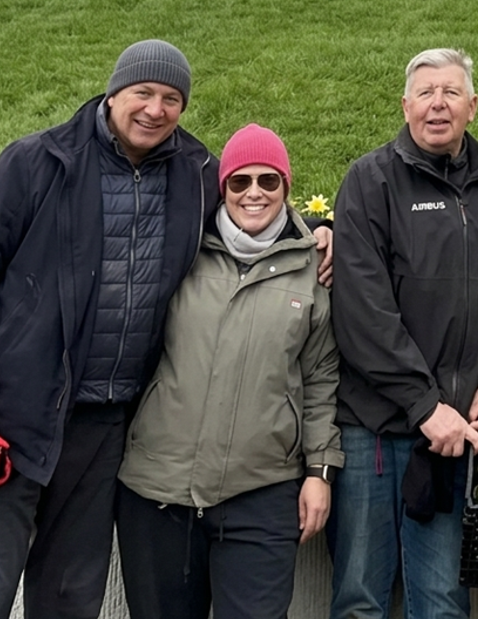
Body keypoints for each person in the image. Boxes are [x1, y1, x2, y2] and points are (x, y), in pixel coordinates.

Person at [0, 40, 331, 619]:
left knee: (68, 596)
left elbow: (254, 213)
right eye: (143, 93)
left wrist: (323, 229)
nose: (155, 109)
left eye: (171, 98)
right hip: (17, 415)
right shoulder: (36, 163)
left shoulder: (195, 175)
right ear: (113, 92)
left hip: (103, 425)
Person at [327, 47, 478, 618]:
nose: (437, 105)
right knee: (358, 601)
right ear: (405, 105)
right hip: (373, 430)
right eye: (425, 93)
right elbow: (361, 313)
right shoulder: (370, 181)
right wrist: (425, 405)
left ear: (473, 105)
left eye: (450, 93)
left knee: (443, 602)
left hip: (453, 436)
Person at [114, 123, 343, 619]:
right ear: (222, 188)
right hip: (158, 491)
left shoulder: (315, 265)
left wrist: (320, 472)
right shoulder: (180, 248)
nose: (254, 193)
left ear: (287, 186)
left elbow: (321, 379)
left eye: (269, 180)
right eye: (240, 181)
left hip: (261, 493)